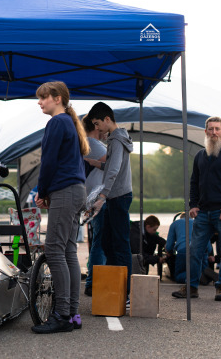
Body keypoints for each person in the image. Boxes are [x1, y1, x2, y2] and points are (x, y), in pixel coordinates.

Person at [31, 81, 88, 334]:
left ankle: (62, 315)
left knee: (54, 250)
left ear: (56, 98)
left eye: (43, 98)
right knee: (67, 251)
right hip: (76, 191)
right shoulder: (69, 122)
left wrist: (41, 192)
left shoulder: (57, 122)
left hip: (65, 191)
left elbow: (48, 161)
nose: (40, 102)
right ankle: (72, 313)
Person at [172, 116, 221, 301]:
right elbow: (194, 182)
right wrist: (193, 205)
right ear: (205, 132)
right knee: (194, 251)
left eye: (217, 129)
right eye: (210, 129)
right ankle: (191, 287)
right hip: (203, 213)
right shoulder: (200, 156)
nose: (214, 133)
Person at [87, 102, 133, 306]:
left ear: (107, 119)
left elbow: (114, 170)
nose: (97, 129)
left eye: (98, 124)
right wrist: (97, 163)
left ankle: (127, 293)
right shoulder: (118, 138)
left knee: (120, 244)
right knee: (109, 242)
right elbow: (113, 164)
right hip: (117, 197)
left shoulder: (116, 139)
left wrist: (102, 196)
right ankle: (116, 286)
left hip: (118, 197)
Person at [81, 114, 107, 297]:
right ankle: (94, 282)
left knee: (97, 240)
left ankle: (93, 280)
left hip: (93, 199)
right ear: (96, 125)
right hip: (100, 200)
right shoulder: (95, 145)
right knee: (101, 242)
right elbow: (116, 163)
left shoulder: (87, 146)